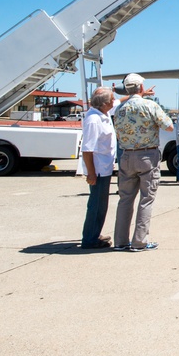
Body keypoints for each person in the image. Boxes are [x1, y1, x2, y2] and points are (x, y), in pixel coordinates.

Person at [112, 73, 174, 251]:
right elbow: (169, 126)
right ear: (141, 88)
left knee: (125, 200)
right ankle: (139, 241)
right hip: (147, 156)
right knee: (146, 199)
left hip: (126, 156)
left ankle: (120, 241)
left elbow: (117, 133)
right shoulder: (150, 105)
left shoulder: (120, 109)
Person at [80, 87, 117, 249]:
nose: (113, 102)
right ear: (104, 103)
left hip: (104, 167)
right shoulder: (94, 120)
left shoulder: (103, 113)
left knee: (101, 204)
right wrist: (91, 174)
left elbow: (117, 102)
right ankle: (89, 239)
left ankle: (94, 233)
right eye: (111, 100)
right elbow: (87, 149)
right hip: (98, 169)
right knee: (96, 205)